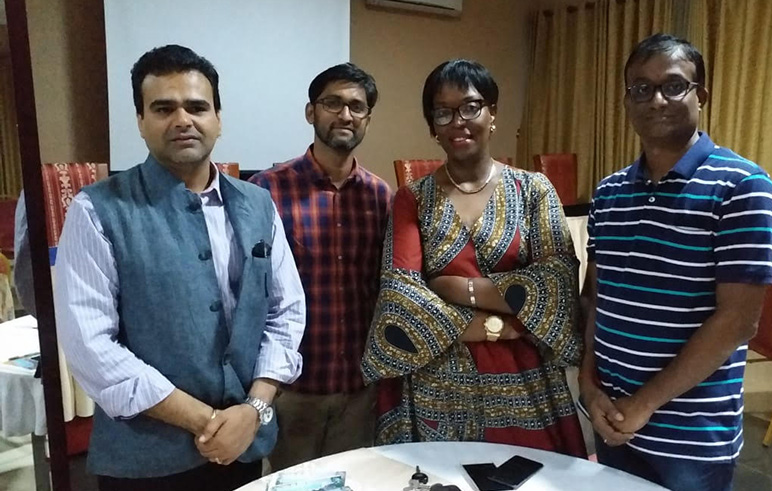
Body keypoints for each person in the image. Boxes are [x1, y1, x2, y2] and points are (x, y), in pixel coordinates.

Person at [54, 44, 306, 491]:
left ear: (218, 119)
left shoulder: (258, 203)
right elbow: (92, 347)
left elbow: (285, 312)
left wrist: (253, 409)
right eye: (163, 108)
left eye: (197, 107)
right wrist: (210, 422)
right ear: (141, 121)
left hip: (242, 447)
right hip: (145, 462)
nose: (183, 120)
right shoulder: (97, 211)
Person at [580, 33, 772, 491]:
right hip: (611, 419)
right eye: (641, 88)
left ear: (701, 95)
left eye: (673, 86)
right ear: (627, 99)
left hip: (690, 437)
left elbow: (737, 322)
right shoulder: (609, 194)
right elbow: (598, 300)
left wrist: (644, 404)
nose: (657, 100)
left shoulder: (742, 186)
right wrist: (590, 388)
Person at [360, 59, 585, 457]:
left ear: (492, 112)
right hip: (434, 385)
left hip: (526, 382)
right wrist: (501, 325)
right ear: (432, 126)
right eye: (442, 112)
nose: (457, 121)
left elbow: (556, 283)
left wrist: (458, 288)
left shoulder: (533, 190)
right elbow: (401, 295)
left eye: (470, 106)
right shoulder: (413, 198)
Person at [249, 63, 393, 469]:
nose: (345, 115)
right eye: (333, 103)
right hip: (293, 389)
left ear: (367, 118)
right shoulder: (267, 190)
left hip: (358, 388)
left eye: (356, 106)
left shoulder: (380, 196)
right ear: (311, 112)